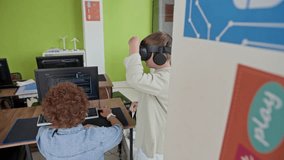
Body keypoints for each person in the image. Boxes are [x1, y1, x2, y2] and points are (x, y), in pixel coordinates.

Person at [36, 82, 123, 160]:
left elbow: (43, 129)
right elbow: (119, 130)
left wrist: (60, 121)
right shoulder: (97, 135)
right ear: (84, 111)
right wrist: (109, 115)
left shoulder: (45, 138)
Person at [124, 31, 172, 160]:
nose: (142, 57)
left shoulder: (167, 78)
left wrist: (133, 47)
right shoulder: (161, 77)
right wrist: (143, 104)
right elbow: (159, 98)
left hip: (155, 150)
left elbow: (135, 78)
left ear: (160, 56)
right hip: (149, 143)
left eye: (145, 53)